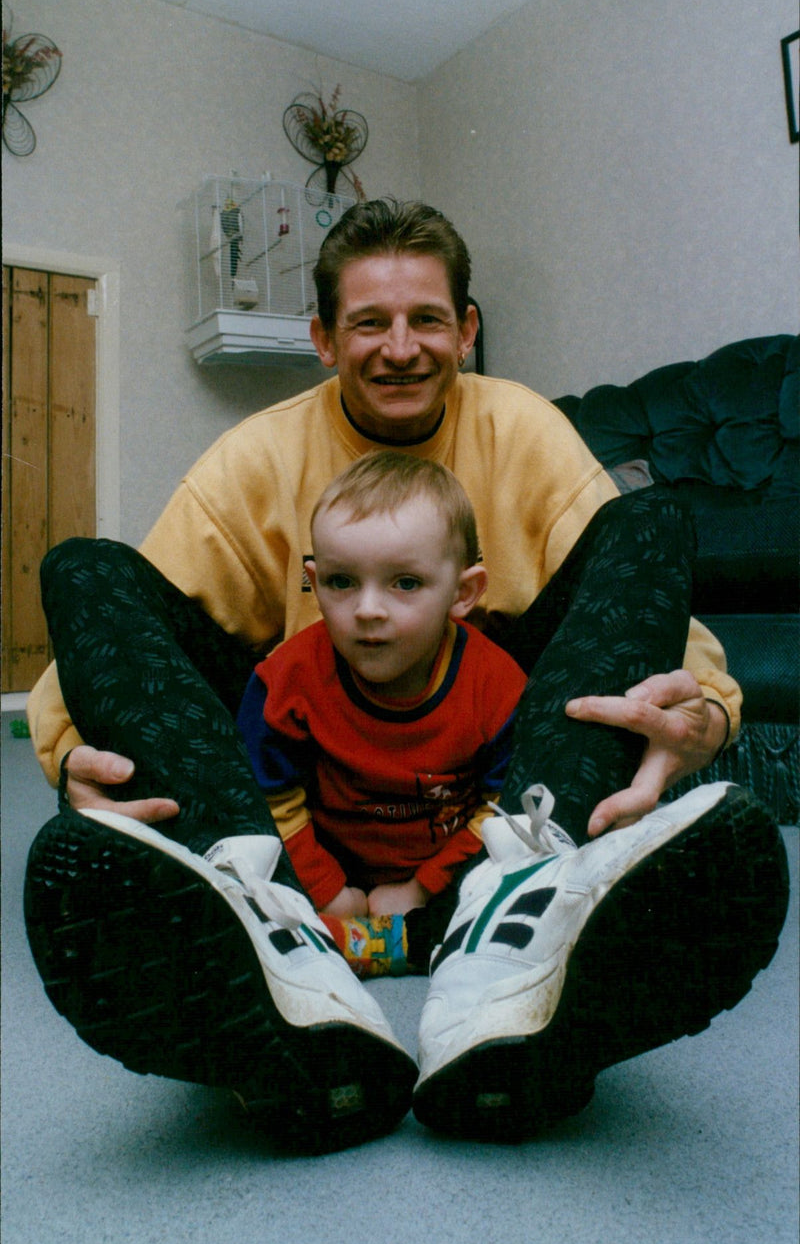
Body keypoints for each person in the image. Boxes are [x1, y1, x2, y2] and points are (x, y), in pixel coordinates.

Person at [24, 199, 789, 1153]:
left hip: (493, 785)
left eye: (427, 318)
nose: (400, 348)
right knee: (80, 568)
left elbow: (657, 605)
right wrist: (69, 765)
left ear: (465, 331)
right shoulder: (255, 456)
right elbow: (99, 645)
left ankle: (508, 915)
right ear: (321, 337)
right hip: (299, 803)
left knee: (654, 521)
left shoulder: (524, 428)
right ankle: (265, 921)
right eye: (368, 323)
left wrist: (710, 713)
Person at [236, 451, 528, 976]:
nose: (368, 610)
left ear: (463, 594)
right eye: (341, 582)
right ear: (313, 579)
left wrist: (422, 887)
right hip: (322, 869)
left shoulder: (497, 686)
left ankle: (416, 942)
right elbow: (270, 797)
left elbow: (500, 809)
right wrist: (327, 889)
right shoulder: (284, 682)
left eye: (405, 583)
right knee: (240, 871)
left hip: (446, 879)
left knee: (524, 865)